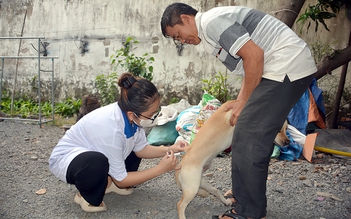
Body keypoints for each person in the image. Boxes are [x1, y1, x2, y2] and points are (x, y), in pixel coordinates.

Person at [161, 3, 316, 219]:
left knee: (249, 134)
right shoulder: (208, 34)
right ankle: (245, 197)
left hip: (285, 65)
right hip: (280, 68)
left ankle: (249, 212)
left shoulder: (210, 22)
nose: (182, 41)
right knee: (247, 130)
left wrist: (243, 100)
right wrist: (244, 98)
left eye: (178, 35)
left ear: (186, 18)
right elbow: (248, 66)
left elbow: (254, 56)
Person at [49, 72, 187, 212]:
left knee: (130, 148)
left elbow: (141, 149)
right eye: (151, 115)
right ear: (132, 114)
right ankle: (85, 196)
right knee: (96, 162)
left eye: (155, 112)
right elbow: (123, 179)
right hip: (68, 159)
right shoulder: (112, 129)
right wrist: (160, 169)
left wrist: (172, 148)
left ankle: (109, 182)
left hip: (96, 150)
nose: (154, 118)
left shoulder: (131, 117)